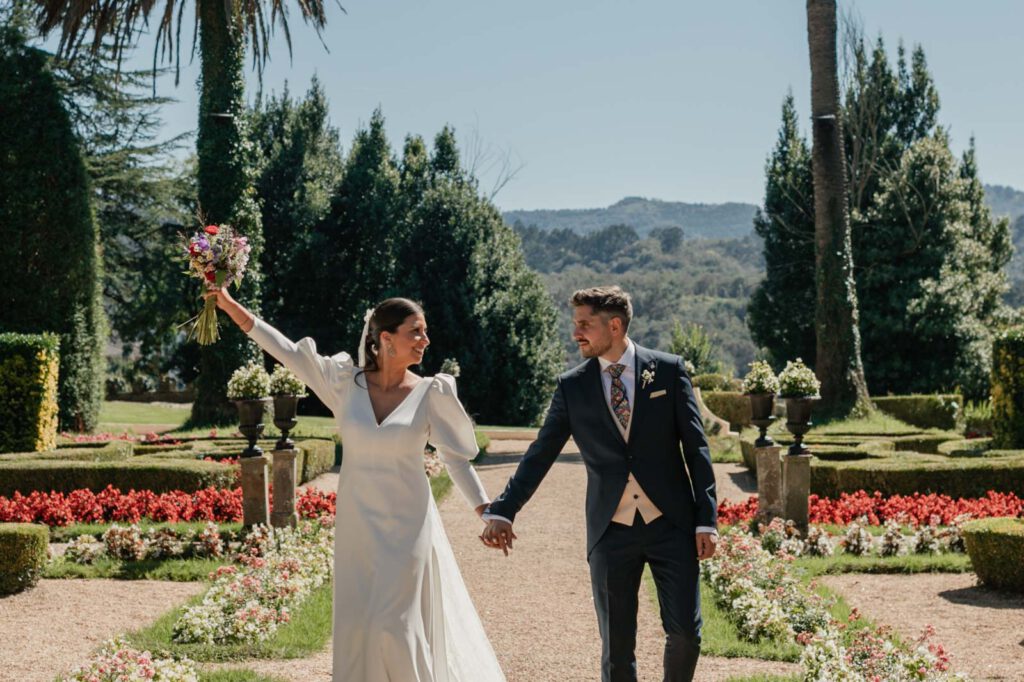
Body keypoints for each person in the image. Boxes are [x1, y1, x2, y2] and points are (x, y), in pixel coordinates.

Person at [206, 288, 506, 682]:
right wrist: (229, 305)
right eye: (416, 332)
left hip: (409, 526)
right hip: (357, 526)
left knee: (395, 626)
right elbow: (286, 350)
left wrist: (486, 510)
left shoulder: (431, 392)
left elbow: (455, 456)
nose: (425, 341)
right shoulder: (345, 383)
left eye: (425, 332)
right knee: (359, 625)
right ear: (385, 338)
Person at [481, 286, 718, 682]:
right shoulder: (572, 387)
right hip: (611, 531)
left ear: (614, 324)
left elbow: (698, 450)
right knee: (616, 646)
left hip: (673, 525)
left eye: (584, 324)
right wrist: (504, 509)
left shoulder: (669, 371)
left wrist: (705, 520)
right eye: (575, 324)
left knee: (685, 633)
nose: (576, 333)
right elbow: (541, 454)